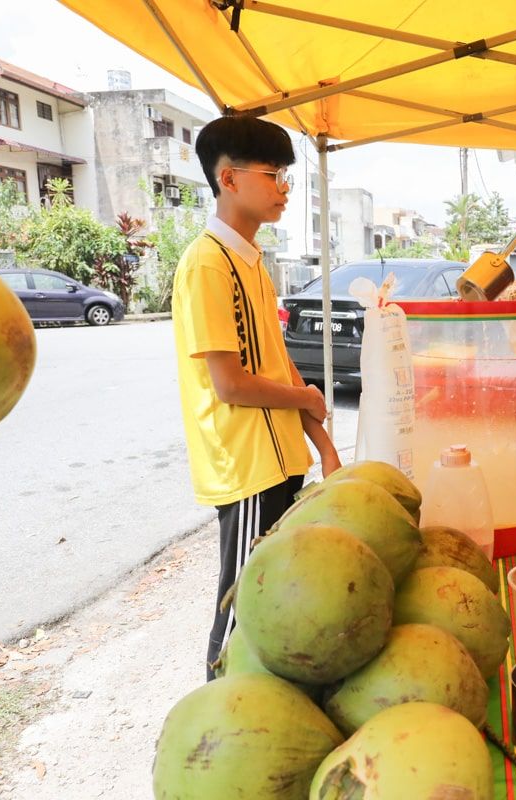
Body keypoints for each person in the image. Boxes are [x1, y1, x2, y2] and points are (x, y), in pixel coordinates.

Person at [173, 116, 341, 680]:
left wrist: (321, 443)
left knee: (273, 593)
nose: (284, 189)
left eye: (286, 176)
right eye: (274, 175)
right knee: (240, 601)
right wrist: (306, 406)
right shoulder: (206, 263)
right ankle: (220, 704)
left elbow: (279, 363)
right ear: (228, 178)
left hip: (281, 457)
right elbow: (231, 384)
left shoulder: (253, 261)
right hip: (246, 464)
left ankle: (263, 695)